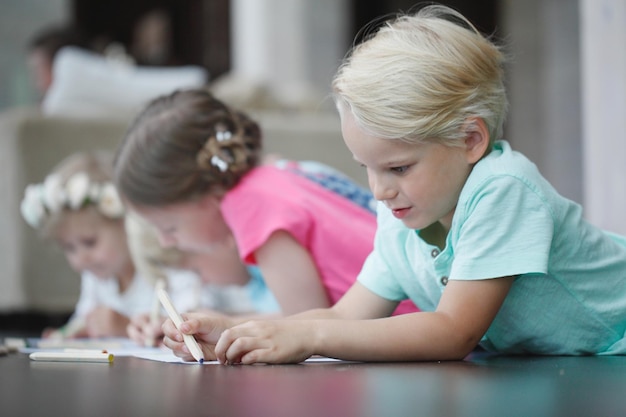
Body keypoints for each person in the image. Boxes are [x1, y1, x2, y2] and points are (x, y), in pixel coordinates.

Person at [159, 4, 626, 365]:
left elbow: (453, 331)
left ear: (470, 139)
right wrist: (237, 330)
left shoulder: (504, 188)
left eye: (398, 168)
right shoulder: (399, 216)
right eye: (367, 166)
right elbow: (343, 317)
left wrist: (308, 336)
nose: (379, 190)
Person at [113, 88, 419, 320]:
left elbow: (305, 328)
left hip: (407, 326)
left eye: (169, 227)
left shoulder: (251, 205)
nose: (167, 240)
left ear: (212, 193)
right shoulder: (282, 174)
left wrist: (219, 326)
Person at [20, 150, 200, 339]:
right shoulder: (97, 277)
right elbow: (83, 319)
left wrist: (126, 326)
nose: (81, 259)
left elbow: (192, 326)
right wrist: (72, 333)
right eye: (69, 247)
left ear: (127, 224)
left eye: (90, 242)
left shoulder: (166, 269)